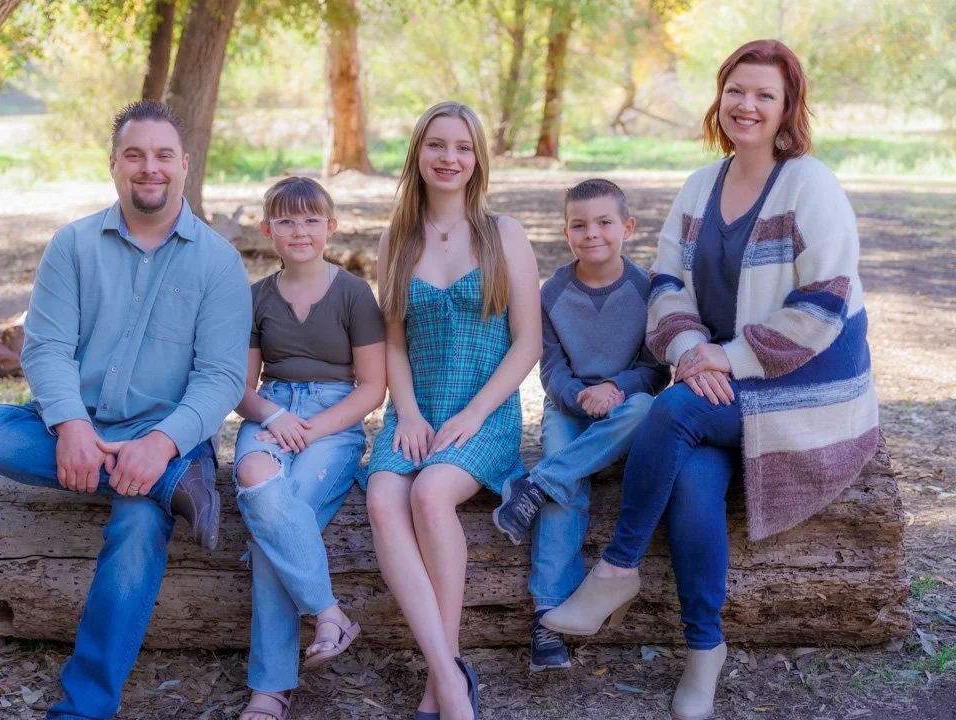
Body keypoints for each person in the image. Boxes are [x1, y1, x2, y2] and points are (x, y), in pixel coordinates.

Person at [541, 39, 879, 720]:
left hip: (806, 383)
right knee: (693, 476)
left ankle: (617, 569)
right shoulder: (701, 186)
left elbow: (824, 304)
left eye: (764, 95)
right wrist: (695, 349)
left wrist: (729, 357)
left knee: (673, 411)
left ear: (787, 107)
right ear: (719, 97)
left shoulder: (810, 183)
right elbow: (666, 285)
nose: (746, 105)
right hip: (720, 382)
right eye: (735, 90)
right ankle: (705, 649)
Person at [0, 100, 252, 719]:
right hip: (75, 422)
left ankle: (82, 710)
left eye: (163, 155)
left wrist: (162, 446)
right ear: (114, 164)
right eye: (134, 155)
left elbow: (221, 378)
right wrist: (71, 427)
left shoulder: (218, 261)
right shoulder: (73, 245)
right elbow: (47, 348)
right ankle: (174, 486)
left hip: (168, 434)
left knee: (138, 531)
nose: (150, 168)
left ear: (185, 164)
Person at [363, 101, 541, 720]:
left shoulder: (503, 234)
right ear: (418, 153)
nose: (449, 158)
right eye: (437, 145)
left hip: (484, 413)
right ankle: (449, 675)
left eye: (463, 147)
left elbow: (528, 343)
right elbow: (393, 343)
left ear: (478, 159)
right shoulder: (396, 239)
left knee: (431, 493)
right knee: (382, 497)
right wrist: (409, 414)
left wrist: (473, 414)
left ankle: (444, 685)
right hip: (416, 409)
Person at [491, 178, 669, 672]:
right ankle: (547, 617)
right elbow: (550, 370)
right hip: (568, 409)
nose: (592, 233)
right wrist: (580, 397)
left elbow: (656, 369)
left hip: (625, 408)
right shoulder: (551, 293)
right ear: (565, 232)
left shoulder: (648, 291)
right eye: (579, 225)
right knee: (564, 492)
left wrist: (614, 387)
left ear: (627, 227)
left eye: (604, 222)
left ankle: (535, 485)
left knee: (646, 410)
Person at [231, 177, 386, 720]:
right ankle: (329, 613)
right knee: (255, 476)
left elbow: (373, 387)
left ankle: (270, 688)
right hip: (272, 409)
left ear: (331, 226)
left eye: (311, 220)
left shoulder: (353, 294)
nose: (300, 231)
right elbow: (240, 388)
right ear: (267, 230)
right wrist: (274, 417)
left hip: (335, 418)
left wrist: (315, 429)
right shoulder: (256, 298)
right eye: (287, 221)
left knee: (272, 525)